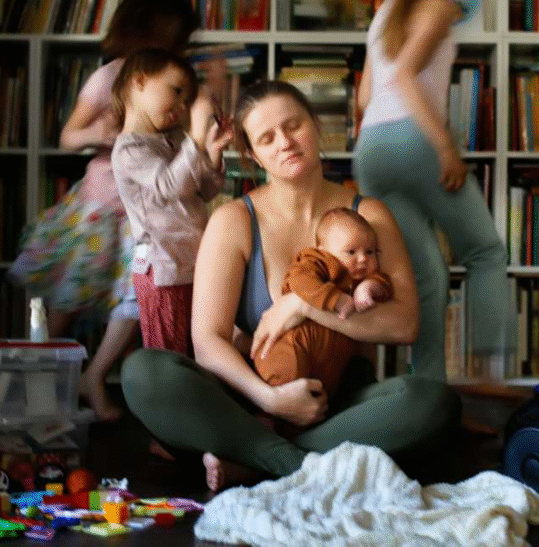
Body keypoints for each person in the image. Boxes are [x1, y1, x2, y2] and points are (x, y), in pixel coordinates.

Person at [121, 80, 460, 492]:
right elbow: (207, 341)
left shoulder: (369, 214)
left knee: (432, 403)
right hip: (251, 401)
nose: (285, 142)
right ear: (252, 153)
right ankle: (299, 462)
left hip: (340, 405)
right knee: (144, 373)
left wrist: (303, 305)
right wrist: (272, 401)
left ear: (316, 126)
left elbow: (405, 324)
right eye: (266, 138)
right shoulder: (233, 220)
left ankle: (255, 459)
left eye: (293, 125)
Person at [8, 0, 200, 421]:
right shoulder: (108, 77)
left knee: (135, 297)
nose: (177, 50)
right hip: (100, 209)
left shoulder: (174, 84)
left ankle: (94, 376)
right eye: (172, 41)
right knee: (67, 297)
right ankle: (37, 383)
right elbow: (67, 137)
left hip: (143, 216)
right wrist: (104, 135)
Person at [353, 0, 516, 381]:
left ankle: (428, 387)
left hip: (372, 150)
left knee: (426, 275)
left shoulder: (386, 12)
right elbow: (404, 75)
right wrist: (445, 147)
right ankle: (490, 377)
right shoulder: (439, 8)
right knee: (485, 253)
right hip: (415, 141)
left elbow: (364, 97)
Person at [111, 47, 231, 357]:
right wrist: (195, 139)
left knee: (199, 349)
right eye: (176, 91)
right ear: (139, 82)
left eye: (186, 101)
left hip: (193, 264)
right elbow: (168, 187)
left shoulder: (175, 140)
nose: (181, 107)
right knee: (168, 356)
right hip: (162, 270)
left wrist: (212, 153)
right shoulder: (129, 149)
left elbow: (204, 191)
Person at [254, 206, 392, 398]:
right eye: (351, 251)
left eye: (370, 252)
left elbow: (385, 285)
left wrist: (369, 287)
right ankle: (272, 409)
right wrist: (336, 299)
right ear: (324, 251)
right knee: (287, 377)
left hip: (329, 366)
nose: (362, 259)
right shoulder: (318, 262)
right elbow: (299, 281)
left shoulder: (361, 278)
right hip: (293, 347)